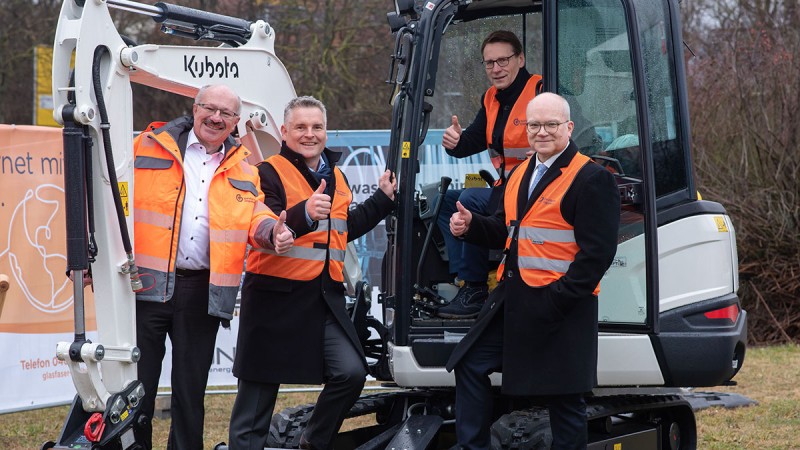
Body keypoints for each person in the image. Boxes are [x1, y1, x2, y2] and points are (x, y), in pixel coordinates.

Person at [445, 92, 621, 449]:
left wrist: (557, 301)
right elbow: (505, 227)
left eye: (551, 124)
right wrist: (472, 226)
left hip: (561, 308)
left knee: (565, 399)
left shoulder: (590, 178)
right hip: (514, 299)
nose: (542, 132)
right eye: (535, 125)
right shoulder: (520, 172)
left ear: (569, 127)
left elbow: (597, 254)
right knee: (469, 364)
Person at [228, 96, 397, 450]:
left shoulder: (336, 175)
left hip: (324, 298)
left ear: (325, 130)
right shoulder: (267, 172)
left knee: (351, 373)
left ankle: (312, 443)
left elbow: (342, 228)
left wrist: (381, 199)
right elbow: (269, 224)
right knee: (255, 403)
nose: (310, 134)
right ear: (285, 132)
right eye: (301, 128)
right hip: (275, 299)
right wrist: (304, 212)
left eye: (316, 127)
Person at [132, 84, 294, 450]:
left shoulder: (244, 166)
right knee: (136, 391)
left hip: (201, 290)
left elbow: (256, 216)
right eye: (210, 108)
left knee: (190, 394)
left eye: (226, 113)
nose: (216, 118)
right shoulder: (147, 146)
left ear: (237, 121)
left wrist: (274, 232)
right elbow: (112, 194)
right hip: (145, 286)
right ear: (195, 108)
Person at [436, 30, 542, 319]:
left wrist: (547, 157)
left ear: (520, 59)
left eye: (503, 60)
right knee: (447, 202)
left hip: (535, 192)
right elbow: (473, 140)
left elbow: (574, 137)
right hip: (505, 188)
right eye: (489, 63)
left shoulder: (541, 93)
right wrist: (456, 143)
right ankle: (463, 278)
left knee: (468, 200)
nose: (496, 68)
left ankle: (475, 288)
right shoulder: (491, 99)